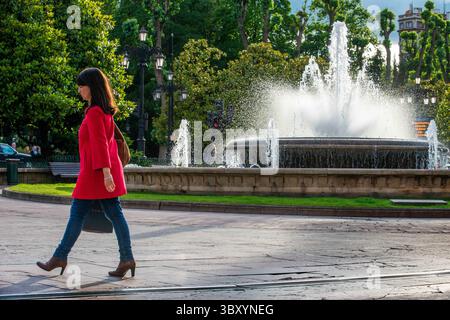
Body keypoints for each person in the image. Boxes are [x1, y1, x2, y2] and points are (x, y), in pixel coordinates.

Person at [37, 67, 135, 278]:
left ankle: (60, 257)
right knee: (114, 214)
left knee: (79, 213)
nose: (79, 89)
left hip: (96, 172)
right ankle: (126, 259)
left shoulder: (94, 113)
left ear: (92, 87)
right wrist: (108, 172)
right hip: (103, 170)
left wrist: (106, 174)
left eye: (82, 85)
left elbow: (100, 144)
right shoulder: (104, 111)